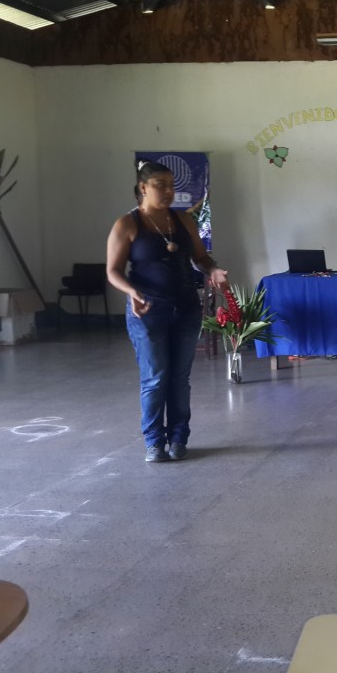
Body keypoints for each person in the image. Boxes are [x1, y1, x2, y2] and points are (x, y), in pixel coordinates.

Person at [106, 161, 228, 462]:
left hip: (186, 308)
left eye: (172, 185)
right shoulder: (127, 224)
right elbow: (113, 271)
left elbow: (200, 257)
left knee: (179, 378)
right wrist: (132, 292)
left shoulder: (183, 220)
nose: (168, 191)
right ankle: (154, 442)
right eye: (161, 185)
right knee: (155, 378)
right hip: (147, 311)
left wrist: (213, 270)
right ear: (143, 187)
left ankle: (178, 438)